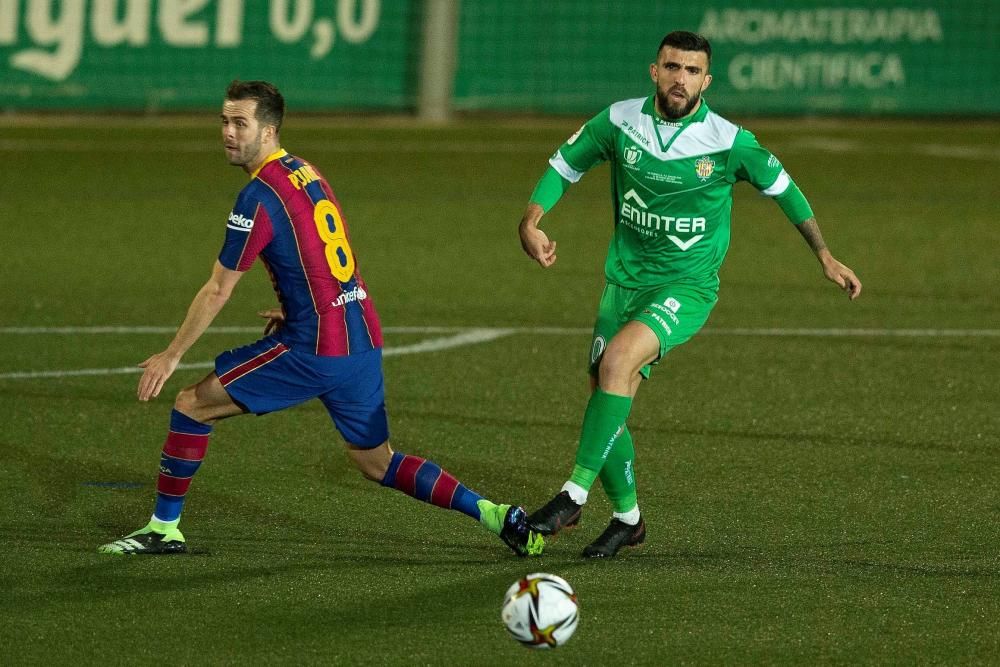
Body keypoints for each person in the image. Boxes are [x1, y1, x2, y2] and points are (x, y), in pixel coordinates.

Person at [98, 80, 543, 557]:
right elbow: (328, 252)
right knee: (376, 462)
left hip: (315, 347)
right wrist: (297, 303)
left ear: (268, 130)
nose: (228, 133)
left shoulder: (257, 197)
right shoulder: (305, 171)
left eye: (240, 123)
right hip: (361, 335)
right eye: (224, 122)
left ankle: (163, 529)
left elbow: (218, 288)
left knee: (191, 403)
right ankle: (494, 513)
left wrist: (172, 354)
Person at [518, 31, 862, 558]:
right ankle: (629, 519)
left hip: (687, 287)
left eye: (693, 71)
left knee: (615, 366)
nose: (682, 79)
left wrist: (825, 255)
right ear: (653, 71)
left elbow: (785, 189)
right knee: (607, 397)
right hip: (622, 285)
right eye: (673, 67)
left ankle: (572, 495)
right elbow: (565, 166)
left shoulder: (729, 141)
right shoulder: (619, 122)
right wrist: (532, 220)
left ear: (708, 80)